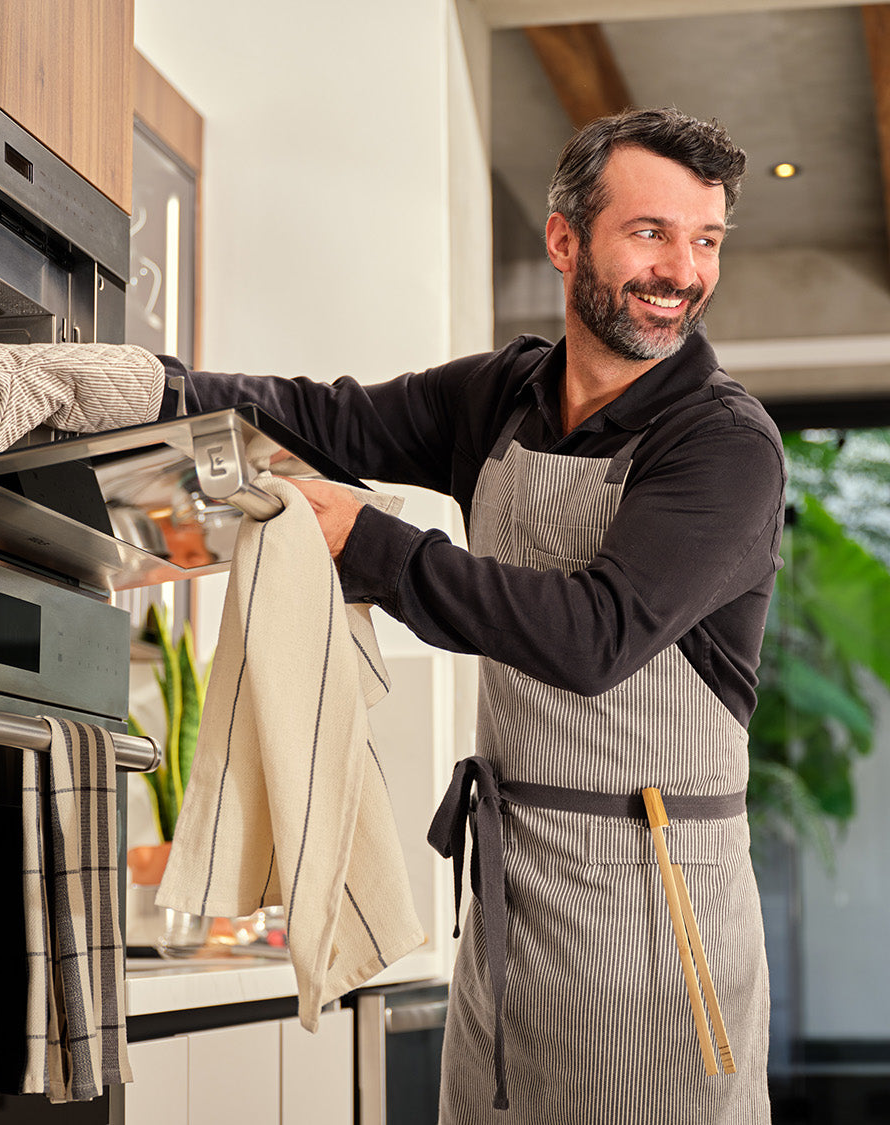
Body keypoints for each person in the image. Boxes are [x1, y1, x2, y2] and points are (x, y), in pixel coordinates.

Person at [165, 107, 784, 1124]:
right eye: (651, 233)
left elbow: (593, 636)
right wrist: (144, 388)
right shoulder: (503, 395)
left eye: (706, 240)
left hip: (659, 923)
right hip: (512, 914)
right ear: (564, 239)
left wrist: (371, 546)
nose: (683, 270)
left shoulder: (723, 445)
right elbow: (323, 418)